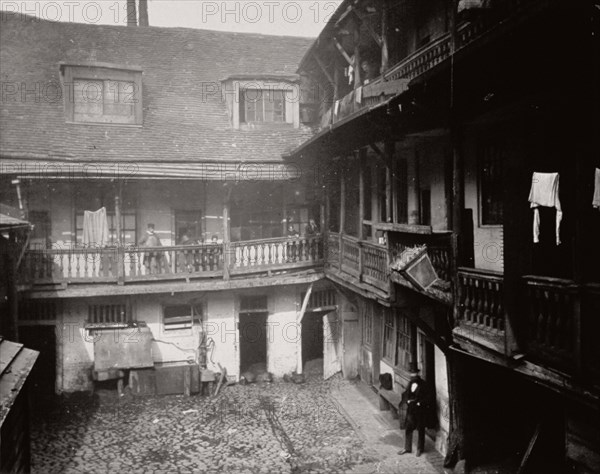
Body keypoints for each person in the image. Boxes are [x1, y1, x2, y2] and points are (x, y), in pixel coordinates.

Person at [398, 362, 431, 457]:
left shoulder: (423, 384)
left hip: (420, 410)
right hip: (411, 410)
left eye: (414, 373)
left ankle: (420, 449)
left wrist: (420, 403)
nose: (413, 375)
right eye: (411, 373)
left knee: (421, 429)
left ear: (418, 374)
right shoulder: (410, 383)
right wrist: (407, 401)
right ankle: (407, 448)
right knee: (408, 428)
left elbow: (429, 397)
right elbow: (406, 393)